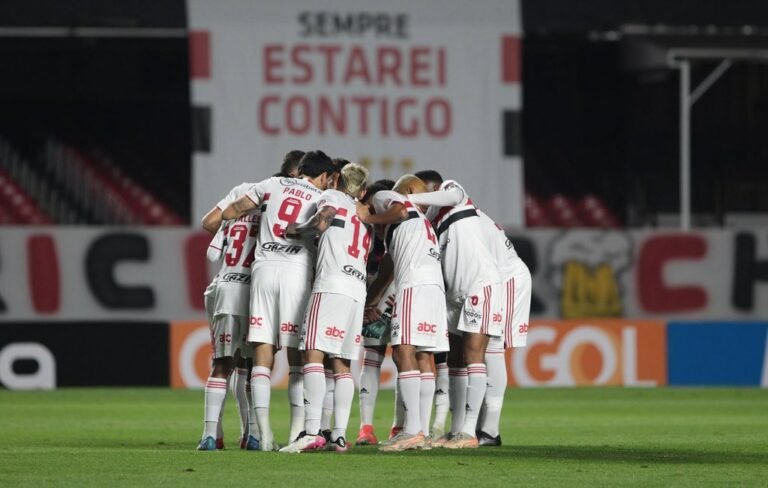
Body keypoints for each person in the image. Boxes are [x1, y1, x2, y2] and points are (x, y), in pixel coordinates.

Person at [221, 150, 335, 451]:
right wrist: (301, 230)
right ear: (324, 176)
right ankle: (297, 432)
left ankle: (264, 435)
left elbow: (232, 211)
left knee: (263, 350)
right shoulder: (321, 196)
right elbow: (322, 223)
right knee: (297, 355)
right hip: (295, 273)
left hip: (263, 271)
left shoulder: (270, 184)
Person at [408, 170, 504, 449]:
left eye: (422, 191)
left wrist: (411, 199)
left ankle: (470, 432)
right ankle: (457, 429)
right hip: (453, 296)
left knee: (474, 355)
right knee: (455, 360)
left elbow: (452, 195)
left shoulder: (453, 193)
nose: (420, 197)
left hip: (479, 285)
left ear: (433, 188)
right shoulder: (431, 223)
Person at [279, 163, 371, 453]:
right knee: (342, 364)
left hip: (331, 284)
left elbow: (322, 221)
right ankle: (339, 436)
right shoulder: (363, 214)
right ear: (362, 190)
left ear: (336, 180)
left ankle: (311, 432)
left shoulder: (332, 197)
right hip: (357, 290)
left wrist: (297, 229)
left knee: (312, 354)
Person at [357, 175, 447, 452]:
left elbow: (399, 211)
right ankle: (421, 432)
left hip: (413, 286)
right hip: (434, 289)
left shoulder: (388, 197)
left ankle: (412, 431)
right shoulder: (421, 225)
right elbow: (389, 264)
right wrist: (372, 300)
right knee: (423, 355)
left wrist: (367, 216)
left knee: (402, 351)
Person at [475, 208, 531, 446]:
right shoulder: (467, 214)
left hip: (505, 278)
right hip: (495, 279)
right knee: (481, 352)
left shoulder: (460, 214)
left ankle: (490, 430)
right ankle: (480, 427)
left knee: (493, 348)